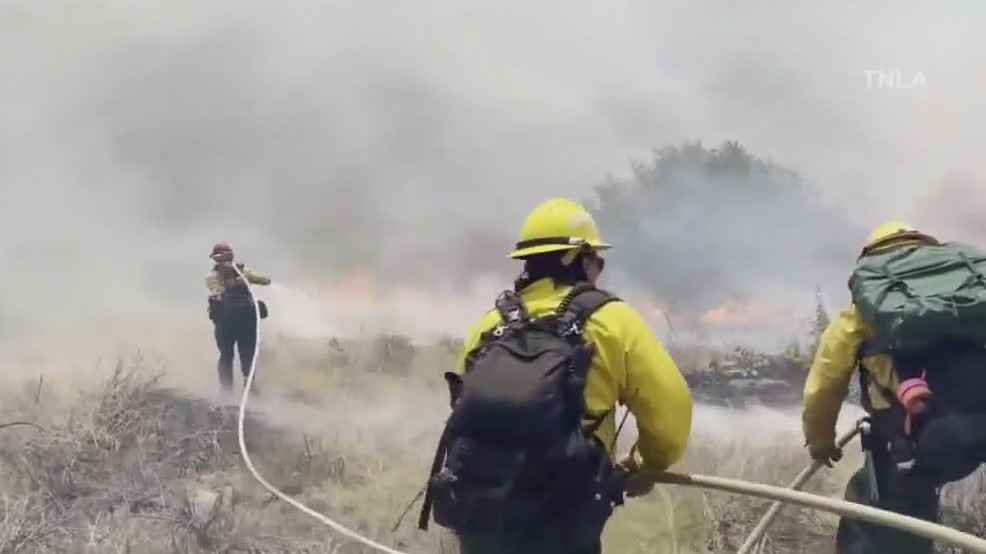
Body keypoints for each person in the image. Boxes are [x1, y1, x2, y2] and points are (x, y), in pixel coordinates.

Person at [417, 198, 693, 554]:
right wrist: (644, 466)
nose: (599, 270)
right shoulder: (613, 321)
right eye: (597, 261)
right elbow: (672, 411)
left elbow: (465, 407)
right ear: (580, 259)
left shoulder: (490, 325)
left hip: (481, 516)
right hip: (563, 519)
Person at [803, 221, 986, 554]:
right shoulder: (971, 294)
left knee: (879, 516)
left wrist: (820, 441)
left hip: (916, 436)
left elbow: (825, 384)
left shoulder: (860, 315)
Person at [206, 242, 272, 395]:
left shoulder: (235, 273)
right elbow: (218, 292)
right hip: (233, 321)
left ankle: (240, 388)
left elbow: (266, 280)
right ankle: (232, 390)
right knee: (236, 355)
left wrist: (244, 278)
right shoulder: (219, 276)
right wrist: (240, 280)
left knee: (236, 356)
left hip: (235, 322)